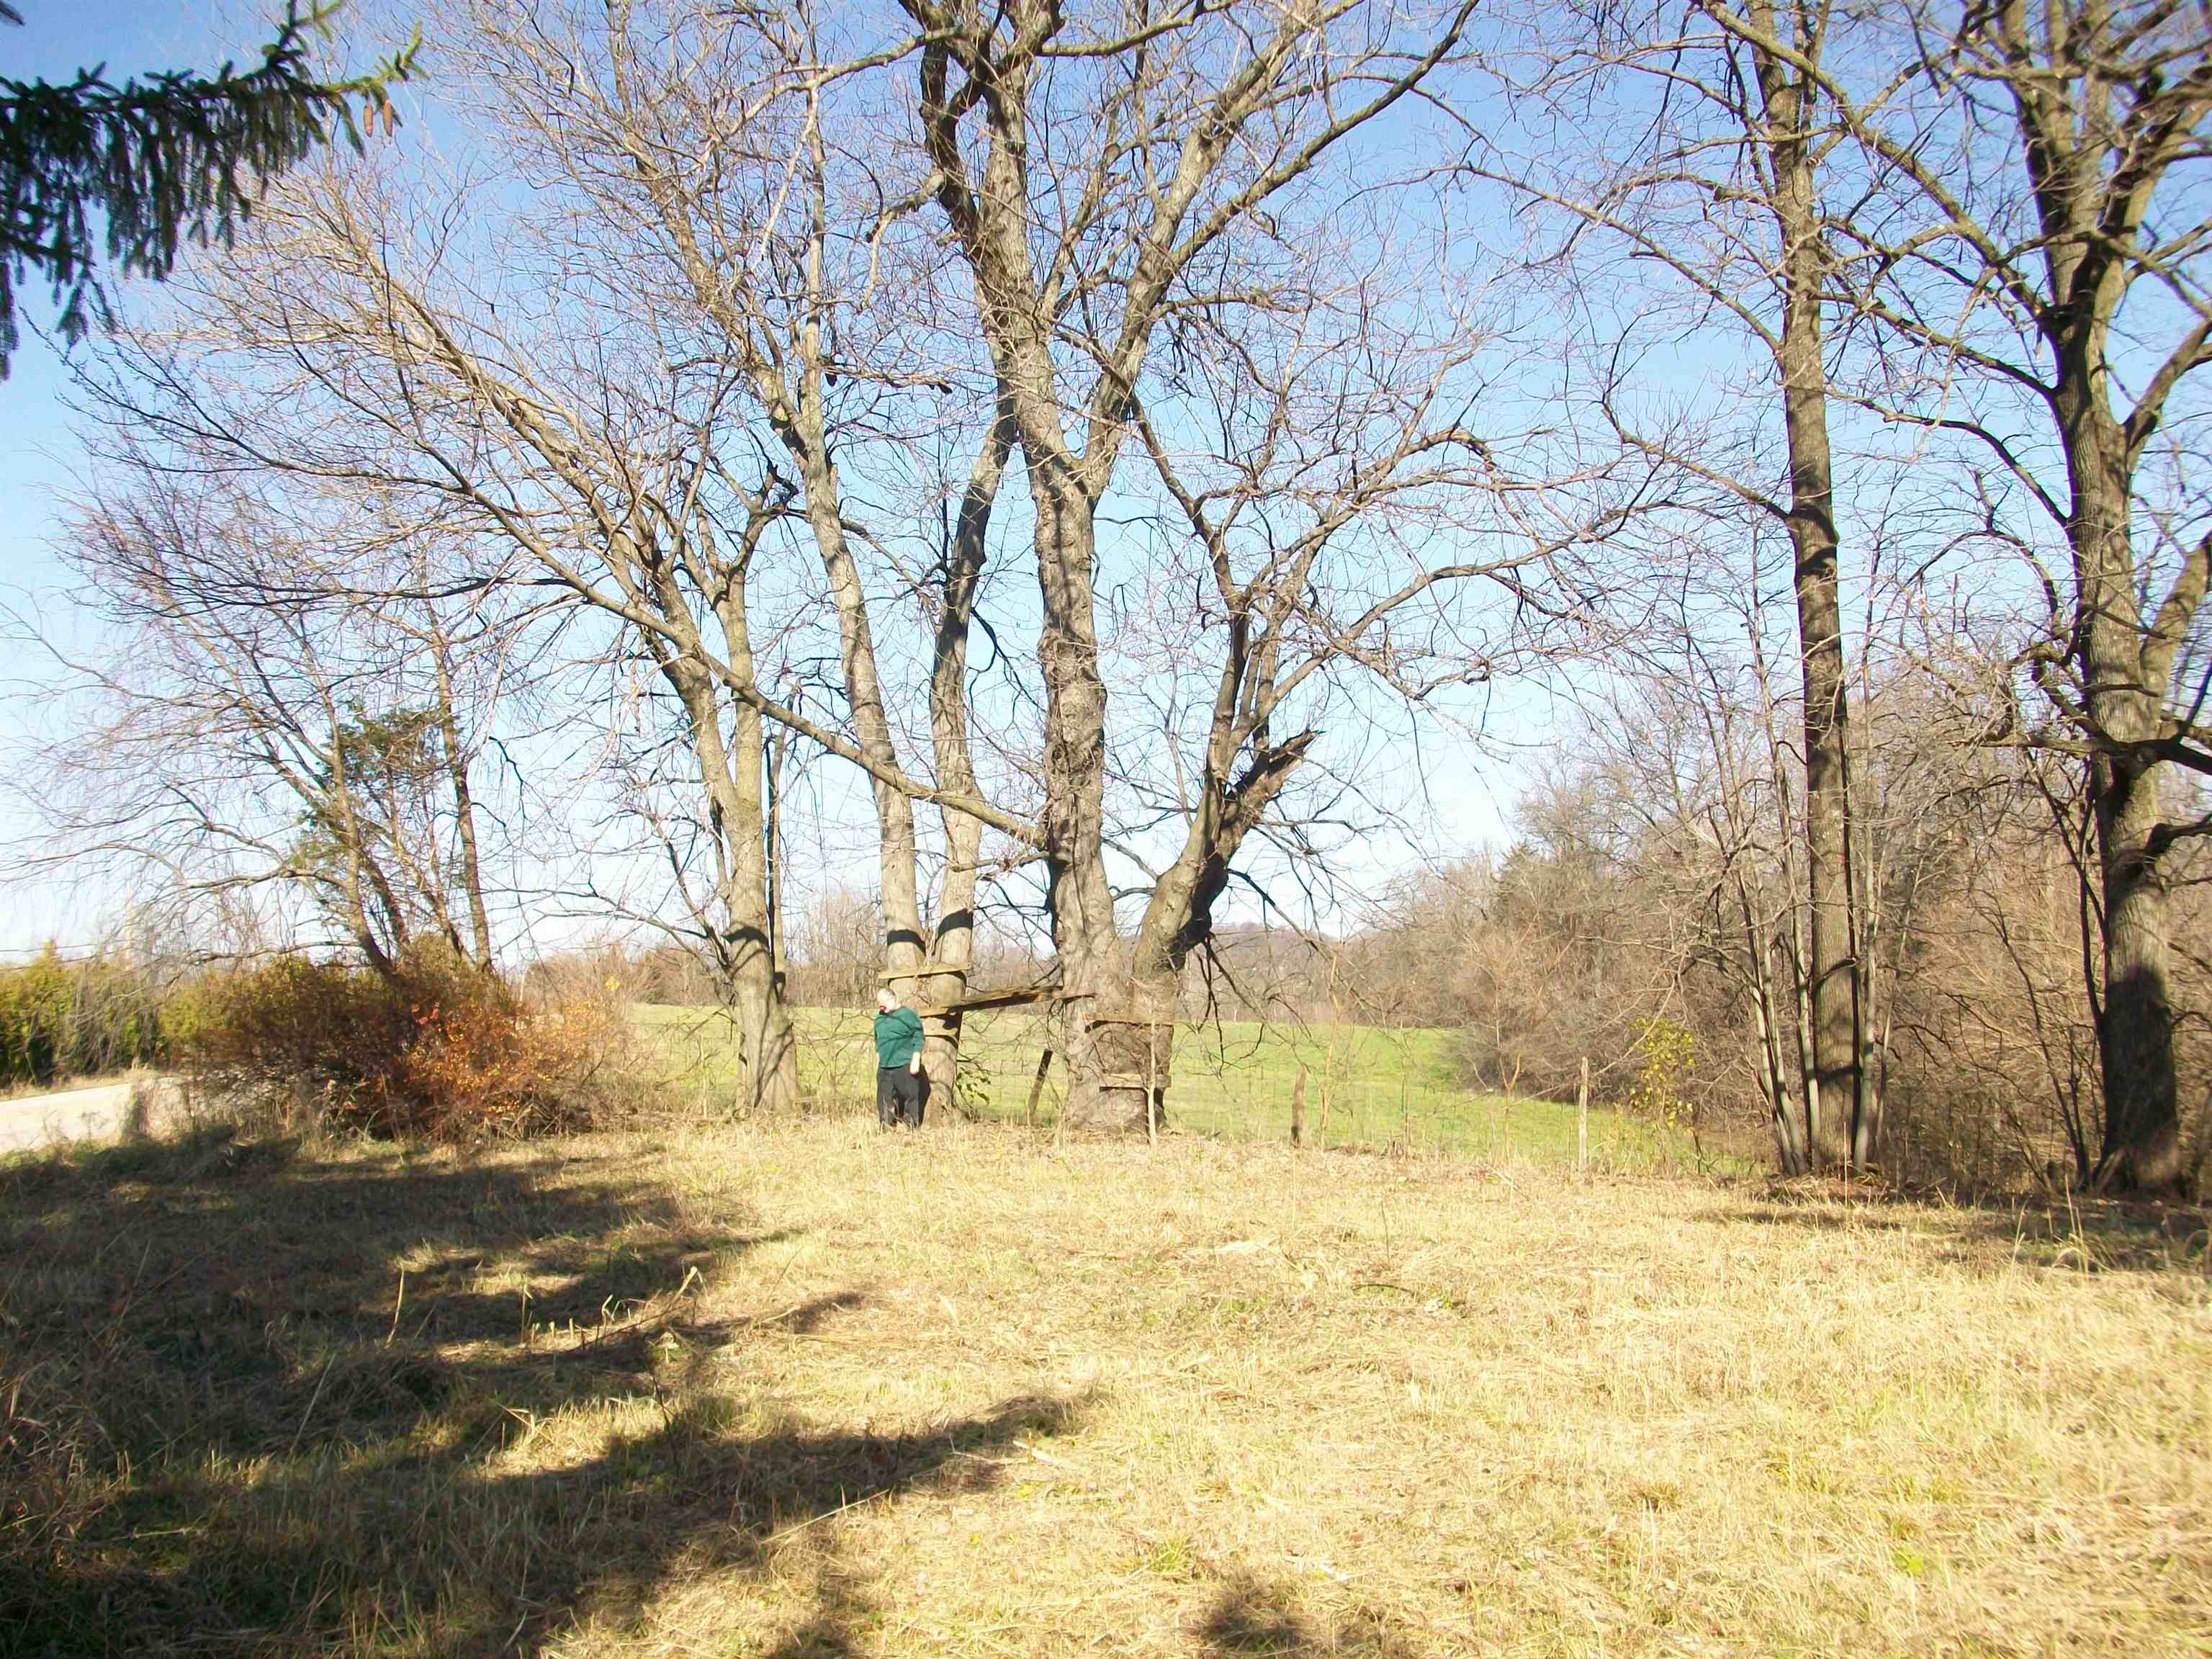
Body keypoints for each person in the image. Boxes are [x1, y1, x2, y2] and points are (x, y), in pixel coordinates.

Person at [871, 986, 926, 1127]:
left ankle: (911, 1126)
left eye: (883, 1004)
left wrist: (916, 1059)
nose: (881, 1007)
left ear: (893, 999)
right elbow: (878, 1042)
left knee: (911, 1096)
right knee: (884, 1099)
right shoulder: (879, 1019)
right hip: (884, 1066)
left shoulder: (908, 1015)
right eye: (879, 1005)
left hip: (904, 1063)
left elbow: (919, 1037)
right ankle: (887, 1126)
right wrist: (878, 1063)